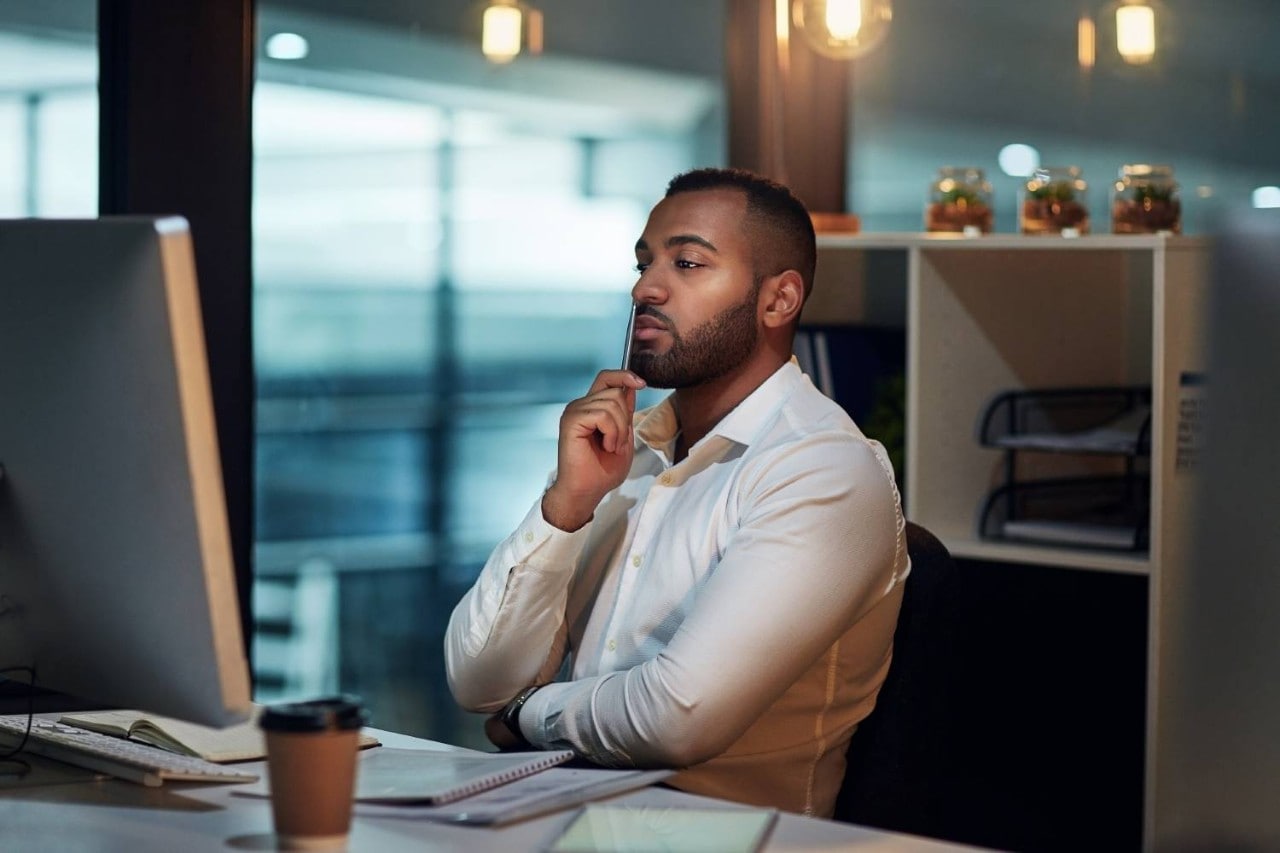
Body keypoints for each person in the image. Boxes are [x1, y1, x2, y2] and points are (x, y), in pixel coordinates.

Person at [444, 167, 908, 818]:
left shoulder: (823, 468)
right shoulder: (620, 451)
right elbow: (476, 679)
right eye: (643, 261)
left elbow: (676, 718)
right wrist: (565, 510)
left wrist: (528, 714)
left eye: (687, 263)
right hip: (547, 819)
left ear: (778, 301)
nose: (645, 287)